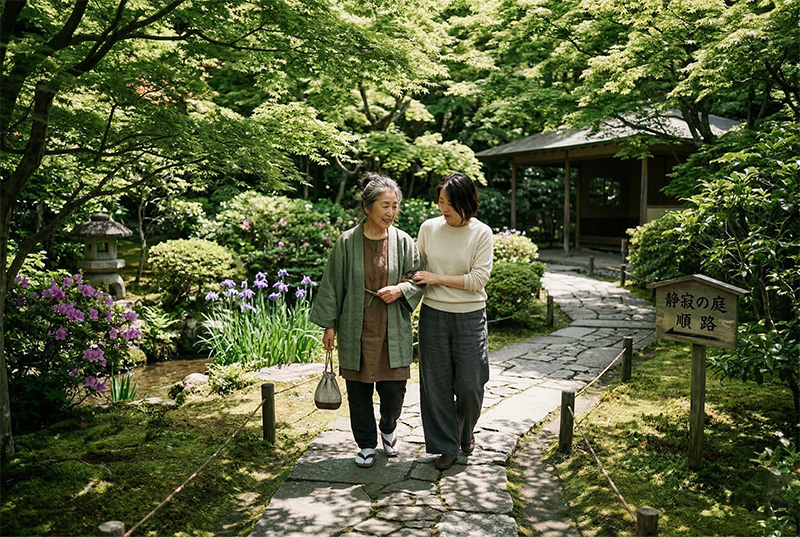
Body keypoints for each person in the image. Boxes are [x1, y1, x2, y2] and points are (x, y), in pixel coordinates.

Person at [310, 172, 424, 468]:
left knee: (394, 390)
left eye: (395, 206)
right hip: (355, 326)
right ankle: (365, 444)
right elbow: (332, 285)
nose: (391, 212)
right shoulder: (347, 242)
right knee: (358, 390)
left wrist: (400, 289)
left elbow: (418, 278)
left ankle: (388, 428)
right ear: (367, 207)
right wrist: (329, 326)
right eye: (385, 205)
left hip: (392, 328)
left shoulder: (403, 241)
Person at [411, 172, 493, 471]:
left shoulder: (481, 233)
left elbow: (478, 279)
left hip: (470, 316)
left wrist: (437, 278)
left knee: (471, 384)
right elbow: (416, 268)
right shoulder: (429, 228)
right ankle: (446, 445)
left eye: (448, 202)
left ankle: (464, 430)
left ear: (465, 202)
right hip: (433, 314)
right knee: (436, 385)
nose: (442, 208)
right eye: (440, 201)